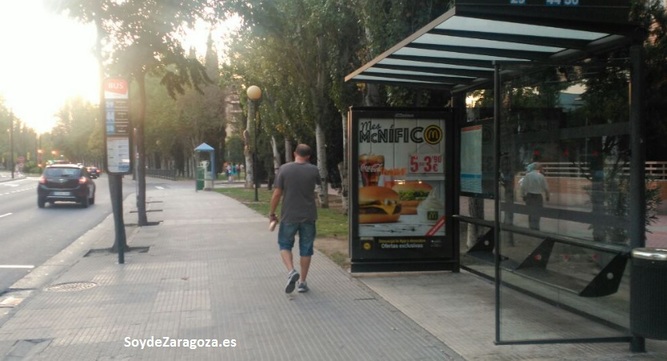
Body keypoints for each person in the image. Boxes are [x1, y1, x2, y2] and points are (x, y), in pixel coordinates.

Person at [269, 144, 321, 294]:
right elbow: (318, 188)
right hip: (309, 216)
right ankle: (303, 282)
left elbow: (277, 194)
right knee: (306, 248)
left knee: (284, 244)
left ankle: (291, 271)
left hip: (289, 215)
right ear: (309, 156)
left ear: (294, 153)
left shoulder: (284, 169)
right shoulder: (313, 170)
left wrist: (272, 213)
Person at [521, 162, 550, 230]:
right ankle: (536, 227)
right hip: (538, 196)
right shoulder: (541, 176)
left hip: (529, 196)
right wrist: (547, 196)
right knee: (537, 213)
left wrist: (523, 195)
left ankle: (531, 227)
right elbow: (546, 188)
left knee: (530, 213)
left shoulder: (527, 175)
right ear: (539, 168)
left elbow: (523, 187)